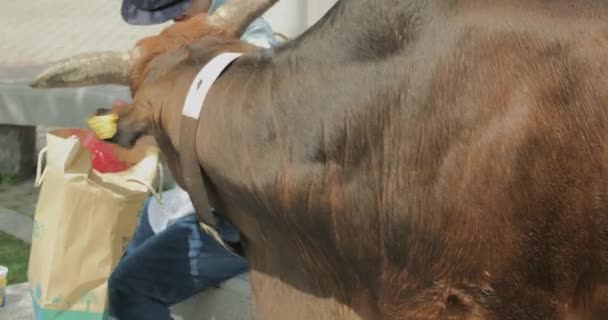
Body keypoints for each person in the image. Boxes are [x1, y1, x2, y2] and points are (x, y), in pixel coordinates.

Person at [108, 1, 278, 319]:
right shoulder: (194, 33)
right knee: (145, 225)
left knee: (127, 286)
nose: (173, 13)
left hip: (252, 217)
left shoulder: (253, 47)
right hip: (223, 200)